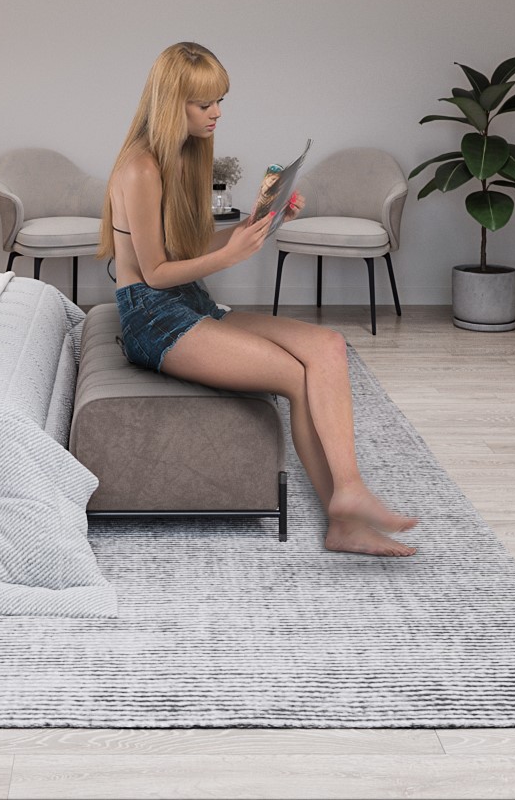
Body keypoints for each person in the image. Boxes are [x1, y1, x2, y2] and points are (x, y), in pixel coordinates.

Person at [98, 41, 418, 557]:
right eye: (205, 104)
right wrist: (232, 257)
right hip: (152, 318)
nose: (217, 113)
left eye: (220, 100)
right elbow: (154, 273)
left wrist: (259, 226)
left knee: (328, 346)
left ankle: (348, 501)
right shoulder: (140, 168)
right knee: (294, 376)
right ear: (170, 103)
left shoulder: (182, 157)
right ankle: (346, 510)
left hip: (188, 301)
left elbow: (186, 249)